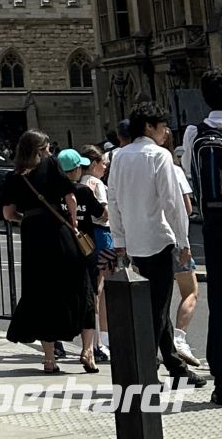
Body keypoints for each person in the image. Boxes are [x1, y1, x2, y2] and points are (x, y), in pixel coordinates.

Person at [96, 101, 206, 389]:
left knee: (154, 307)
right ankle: (147, 368)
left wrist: (120, 240)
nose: (165, 131)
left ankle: (175, 366)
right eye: (162, 125)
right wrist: (184, 242)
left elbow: (115, 200)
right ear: (149, 126)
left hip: (133, 241)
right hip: (158, 239)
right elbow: (172, 203)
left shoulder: (119, 156)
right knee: (157, 310)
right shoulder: (158, 156)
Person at [3, 131, 96, 375]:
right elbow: (70, 196)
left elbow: (8, 214)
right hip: (59, 232)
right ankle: (87, 351)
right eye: (45, 148)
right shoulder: (51, 165)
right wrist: (73, 222)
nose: (48, 152)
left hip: (33, 239)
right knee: (81, 287)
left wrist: (28, 218)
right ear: (38, 150)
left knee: (41, 292)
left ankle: (49, 359)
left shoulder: (13, 177)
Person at [181, 67, 222, 402]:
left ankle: (221, 382)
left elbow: (190, 176)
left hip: (215, 224)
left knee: (219, 304)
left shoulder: (197, 132)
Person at [157, 125, 201, 367]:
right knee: (190, 291)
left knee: (156, 297)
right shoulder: (174, 169)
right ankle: (180, 338)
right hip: (173, 238)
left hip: (146, 240)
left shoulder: (132, 164)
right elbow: (187, 208)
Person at [80, 146, 114, 363]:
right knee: (101, 289)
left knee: (94, 287)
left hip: (87, 237)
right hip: (102, 235)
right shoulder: (97, 184)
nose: (104, 168)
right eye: (102, 164)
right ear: (93, 164)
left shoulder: (80, 183)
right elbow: (103, 214)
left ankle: (96, 341)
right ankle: (102, 340)